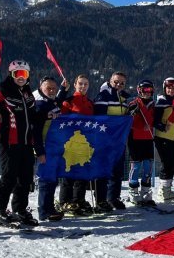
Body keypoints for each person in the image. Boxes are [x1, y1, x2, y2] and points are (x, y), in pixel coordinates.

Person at [0, 60, 44, 226]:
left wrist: (48, 115)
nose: (21, 77)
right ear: (11, 75)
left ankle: (20, 209)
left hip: (26, 142)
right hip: (9, 142)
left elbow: (32, 116)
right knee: (9, 177)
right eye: (18, 74)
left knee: (25, 178)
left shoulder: (27, 93)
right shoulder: (3, 91)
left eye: (24, 74)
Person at [33, 75, 70, 221]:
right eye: (48, 88)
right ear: (41, 88)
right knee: (46, 179)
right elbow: (35, 131)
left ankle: (49, 208)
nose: (52, 90)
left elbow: (57, 101)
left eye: (53, 88)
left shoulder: (49, 102)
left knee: (52, 179)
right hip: (45, 147)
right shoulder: (39, 105)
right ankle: (43, 211)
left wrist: (63, 90)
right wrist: (39, 151)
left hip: (55, 147)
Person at [93, 71, 130, 211]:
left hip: (118, 141)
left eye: (122, 83)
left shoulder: (123, 98)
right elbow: (100, 118)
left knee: (117, 171)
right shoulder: (104, 95)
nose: (119, 85)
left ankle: (113, 197)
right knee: (103, 170)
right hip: (104, 141)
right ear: (110, 81)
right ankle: (101, 200)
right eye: (116, 82)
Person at [59, 73, 94, 215]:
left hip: (85, 143)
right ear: (75, 85)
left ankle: (78, 200)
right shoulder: (69, 101)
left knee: (82, 173)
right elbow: (61, 121)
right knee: (69, 172)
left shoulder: (90, 103)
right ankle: (64, 201)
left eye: (85, 84)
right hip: (71, 142)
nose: (83, 86)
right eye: (80, 84)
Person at [153, 77, 174, 202]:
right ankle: (163, 192)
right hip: (163, 138)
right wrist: (162, 126)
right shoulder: (161, 102)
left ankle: (167, 190)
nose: (170, 90)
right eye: (168, 88)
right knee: (166, 164)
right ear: (164, 88)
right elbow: (155, 120)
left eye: (173, 88)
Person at [127, 80, 156, 206]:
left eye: (149, 90)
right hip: (135, 139)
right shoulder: (134, 103)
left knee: (147, 166)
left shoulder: (153, 105)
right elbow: (129, 122)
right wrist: (133, 113)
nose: (147, 93)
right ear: (139, 90)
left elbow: (155, 120)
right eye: (144, 90)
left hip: (148, 138)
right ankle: (133, 191)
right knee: (136, 166)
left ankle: (146, 191)